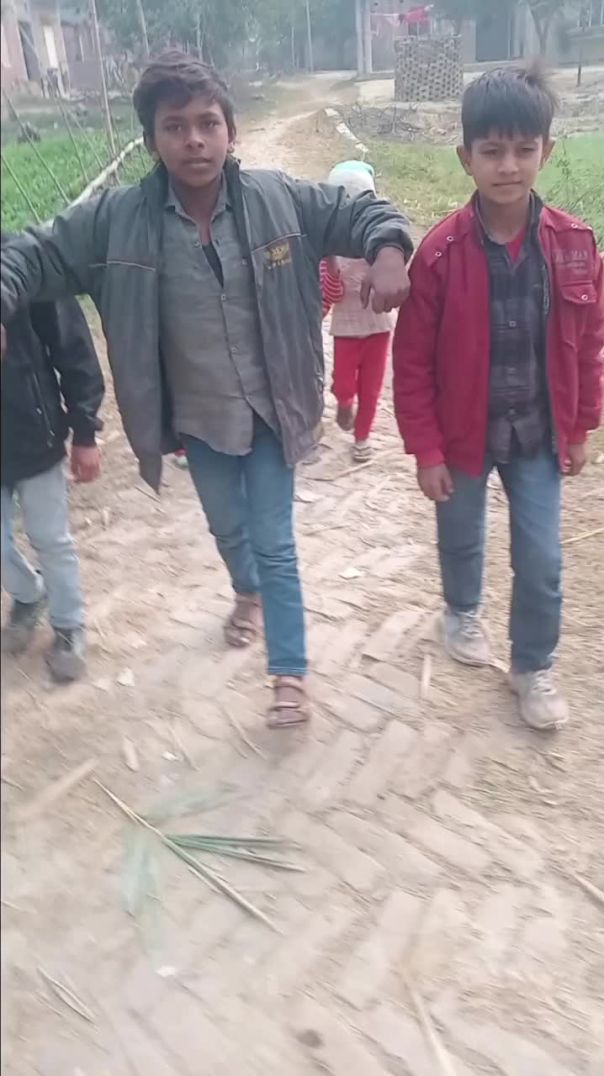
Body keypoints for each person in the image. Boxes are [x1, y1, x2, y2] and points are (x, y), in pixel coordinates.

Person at [1, 52, 413, 726]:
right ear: (151, 140)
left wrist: (390, 250)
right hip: (198, 422)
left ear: (231, 131)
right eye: (175, 126)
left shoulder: (281, 200)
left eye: (207, 123)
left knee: (274, 541)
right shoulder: (115, 222)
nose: (194, 139)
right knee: (228, 527)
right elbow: (31, 252)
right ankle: (245, 590)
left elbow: (361, 210)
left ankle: (288, 673)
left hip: (273, 411)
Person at [393, 64, 604, 731]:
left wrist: (580, 427)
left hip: (538, 433)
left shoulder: (575, 246)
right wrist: (426, 450)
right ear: (466, 157)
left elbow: (589, 344)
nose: (508, 166)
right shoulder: (438, 254)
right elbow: (411, 362)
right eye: (491, 151)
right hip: (463, 433)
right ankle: (460, 610)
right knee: (460, 536)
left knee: (542, 558)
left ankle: (532, 666)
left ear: (547, 150)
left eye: (522, 149)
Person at [1, 234, 104, 682]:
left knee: (50, 537)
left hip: (33, 434)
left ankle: (68, 624)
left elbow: (73, 350)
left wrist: (85, 431)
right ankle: (29, 594)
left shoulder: (26, 261)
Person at [321, 161, 397, 462]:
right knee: (343, 382)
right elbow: (332, 294)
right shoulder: (329, 246)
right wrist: (331, 263)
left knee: (371, 388)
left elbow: (396, 282)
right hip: (345, 328)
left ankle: (362, 437)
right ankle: (343, 402)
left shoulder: (381, 242)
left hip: (379, 328)